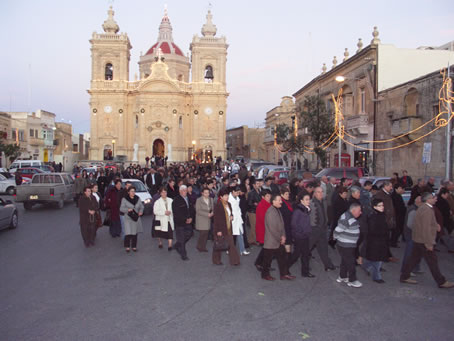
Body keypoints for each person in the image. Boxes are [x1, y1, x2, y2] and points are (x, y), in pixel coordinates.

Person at [400, 193, 454, 288]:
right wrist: (429, 243)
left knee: (413, 259)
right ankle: (441, 282)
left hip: (419, 239)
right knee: (432, 262)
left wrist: (435, 225)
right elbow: (425, 228)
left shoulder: (424, 208)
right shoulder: (427, 210)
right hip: (424, 240)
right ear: (428, 199)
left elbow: (425, 224)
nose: (436, 199)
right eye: (433, 198)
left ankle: (404, 276)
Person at [261, 194, 295, 281]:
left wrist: (283, 235)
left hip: (278, 240)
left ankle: (284, 274)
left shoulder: (277, 210)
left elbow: (281, 224)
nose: (281, 202)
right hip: (272, 241)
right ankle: (265, 275)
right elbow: (272, 229)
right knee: (267, 260)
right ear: (273, 201)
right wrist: (281, 238)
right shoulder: (270, 212)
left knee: (282, 258)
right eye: (279, 200)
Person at [333, 203, 362, 288]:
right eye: (359, 211)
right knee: (350, 262)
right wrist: (335, 237)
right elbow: (338, 229)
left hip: (347, 244)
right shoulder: (347, 218)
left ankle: (342, 276)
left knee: (345, 260)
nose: (361, 213)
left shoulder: (348, 215)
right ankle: (352, 280)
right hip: (346, 245)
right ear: (353, 210)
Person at [363, 198, 389, 283]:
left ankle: (366, 266)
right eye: (379, 206)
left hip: (380, 241)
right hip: (375, 241)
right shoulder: (373, 216)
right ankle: (376, 277)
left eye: (382, 205)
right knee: (377, 259)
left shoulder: (381, 215)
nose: (382, 207)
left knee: (374, 259)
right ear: (374, 207)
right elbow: (372, 230)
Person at [288, 192, 314, 278]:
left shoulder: (306, 209)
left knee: (305, 254)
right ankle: (284, 268)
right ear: (301, 201)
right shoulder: (298, 211)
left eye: (309, 199)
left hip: (305, 235)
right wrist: (301, 232)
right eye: (306, 199)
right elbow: (293, 224)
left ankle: (305, 272)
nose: (308, 201)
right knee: (296, 255)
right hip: (299, 236)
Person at [212, 187, 240, 266]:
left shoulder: (229, 204)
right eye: (225, 195)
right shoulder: (218, 205)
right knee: (219, 245)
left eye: (227, 195)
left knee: (230, 244)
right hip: (221, 228)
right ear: (220, 197)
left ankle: (235, 261)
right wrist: (218, 230)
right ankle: (216, 260)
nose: (227, 197)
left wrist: (231, 216)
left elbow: (230, 214)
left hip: (228, 228)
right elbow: (216, 219)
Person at [310, 187, 336, 271]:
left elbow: (325, 213)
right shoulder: (311, 203)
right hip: (314, 230)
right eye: (318, 192)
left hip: (323, 229)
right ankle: (295, 263)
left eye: (321, 192)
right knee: (306, 248)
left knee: (324, 248)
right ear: (314, 193)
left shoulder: (323, 202)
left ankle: (328, 265)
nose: (320, 194)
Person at [374, 181, 398, 262]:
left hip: (387, 221)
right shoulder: (380, 195)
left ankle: (387, 256)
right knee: (383, 240)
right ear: (385, 186)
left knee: (385, 240)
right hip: (384, 221)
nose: (391, 188)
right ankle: (384, 257)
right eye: (390, 186)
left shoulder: (386, 194)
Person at [172, 185, 195, 261]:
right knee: (181, 238)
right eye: (183, 190)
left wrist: (191, 217)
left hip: (189, 221)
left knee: (190, 234)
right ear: (180, 191)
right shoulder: (176, 200)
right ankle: (183, 254)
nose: (185, 192)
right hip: (180, 222)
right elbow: (177, 212)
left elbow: (192, 209)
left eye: (185, 190)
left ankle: (177, 244)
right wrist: (185, 219)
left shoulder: (188, 199)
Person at [401, 196, 423, 274]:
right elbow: (410, 224)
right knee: (410, 252)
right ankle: (406, 269)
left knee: (416, 252)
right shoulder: (413, 210)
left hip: (412, 234)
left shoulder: (414, 208)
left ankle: (414, 268)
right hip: (411, 234)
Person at [120, 186, 144, 252]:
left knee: (134, 232)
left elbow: (141, 206)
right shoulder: (124, 199)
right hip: (128, 218)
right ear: (128, 192)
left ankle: (134, 246)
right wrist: (128, 210)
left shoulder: (137, 198)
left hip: (135, 218)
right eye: (131, 191)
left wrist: (141, 211)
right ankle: (127, 246)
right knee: (128, 232)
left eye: (134, 191)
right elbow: (121, 208)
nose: (133, 193)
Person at [254, 189, 272, 271]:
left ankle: (264, 264)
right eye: (267, 196)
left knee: (267, 249)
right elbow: (263, 219)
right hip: (264, 230)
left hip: (267, 230)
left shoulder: (268, 204)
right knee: (266, 249)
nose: (269, 197)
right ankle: (260, 263)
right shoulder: (261, 205)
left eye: (270, 196)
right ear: (263, 197)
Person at [153, 187, 174, 251]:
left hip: (169, 219)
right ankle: (160, 242)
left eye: (165, 192)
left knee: (170, 232)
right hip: (161, 219)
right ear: (160, 193)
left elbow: (174, 208)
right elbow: (155, 211)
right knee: (159, 232)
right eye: (162, 192)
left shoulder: (171, 200)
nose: (164, 193)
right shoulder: (157, 202)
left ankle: (170, 245)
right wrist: (164, 212)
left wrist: (170, 212)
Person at [229, 186, 248, 256]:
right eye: (237, 193)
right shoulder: (229, 199)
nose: (238, 194)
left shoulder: (237, 198)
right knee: (231, 236)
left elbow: (238, 208)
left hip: (238, 219)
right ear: (233, 192)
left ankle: (242, 249)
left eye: (238, 193)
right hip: (232, 219)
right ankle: (229, 249)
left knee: (240, 234)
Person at [195, 187, 214, 252]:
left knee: (206, 233)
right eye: (205, 193)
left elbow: (213, 208)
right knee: (202, 233)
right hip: (201, 218)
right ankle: (199, 246)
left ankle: (202, 246)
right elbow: (198, 210)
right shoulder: (199, 200)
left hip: (208, 219)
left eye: (208, 193)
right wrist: (207, 214)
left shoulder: (211, 199)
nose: (207, 194)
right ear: (202, 193)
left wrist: (212, 213)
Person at [435, 188, 454, 253]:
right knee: (445, 235)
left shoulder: (439, 200)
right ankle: (451, 248)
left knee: (439, 235)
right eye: (446, 195)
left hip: (442, 221)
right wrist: (449, 212)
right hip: (443, 221)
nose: (447, 196)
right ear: (443, 194)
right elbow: (444, 212)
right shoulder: (441, 201)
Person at [279, 187, 294, 267]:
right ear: (282, 195)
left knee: (287, 241)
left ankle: (287, 256)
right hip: (285, 225)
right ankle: (288, 258)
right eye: (286, 194)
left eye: (288, 194)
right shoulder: (282, 204)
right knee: (287, 241)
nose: (288, 195)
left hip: (288, 225)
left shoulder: (286, 202)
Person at [247, 178, 262, 245]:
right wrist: (255, 204)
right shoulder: (251, 193)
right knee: (254, 226)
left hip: (258, 210)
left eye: (259, 184)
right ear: (253, 185)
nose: (258, 185)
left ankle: (251, 239)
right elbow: (249, 203)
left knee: (256, 226)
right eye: (257, 184)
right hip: (252, 211)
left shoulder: (259, 191)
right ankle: (255, 240)